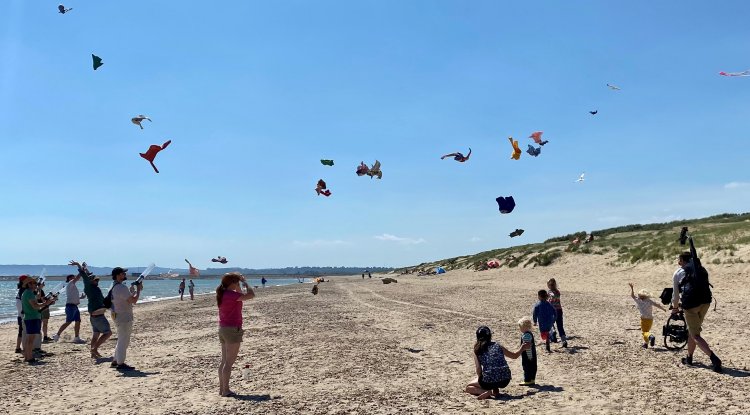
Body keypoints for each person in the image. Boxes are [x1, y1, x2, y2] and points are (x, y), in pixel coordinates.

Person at [671, 252, 722, 372]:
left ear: (682, 261)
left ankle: (714, 358)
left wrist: (674, 308)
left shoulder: (678, 272)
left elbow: (676, 294)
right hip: (705, 303)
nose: (678, 262)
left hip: (691, 306)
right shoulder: (700, 269)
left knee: (695, 335)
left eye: (679, 260)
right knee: (692, 330)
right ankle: (689, 358)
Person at [216, 272, 255, 397]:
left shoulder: (223, 294)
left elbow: (240, 293)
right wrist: (244, 283)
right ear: (232, 283)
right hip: (232, 329)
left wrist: (238, 284)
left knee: (224, 361)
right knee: (228, 362)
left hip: (223, 328)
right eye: (236, 282)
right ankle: (226, 390)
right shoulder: (231, 295)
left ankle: (222, 389)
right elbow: (251, 295)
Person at [465, 326, 528, 399]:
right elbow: (514, 356)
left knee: (468, 387)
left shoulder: (477, 350)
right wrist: (522, 348)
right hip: (505, 379)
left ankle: (485, 391)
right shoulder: (497, 345)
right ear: (490, 336)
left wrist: (481, 380)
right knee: (494, 370)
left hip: (489, 381)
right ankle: (495, 389)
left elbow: (478, 369)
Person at [70, 261, 112, 359]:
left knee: (96, 334)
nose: (97, 282)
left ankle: (93, 353)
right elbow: (84, 275)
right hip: (97, 315)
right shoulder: (89, 287)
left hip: (95, 316)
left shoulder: (96, 288)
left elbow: (88, 274)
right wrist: (78, 265)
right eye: (95, 280)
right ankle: (95, 349)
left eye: (97, 280)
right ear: (91, 281)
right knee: (108, 333)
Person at [110, 266, 142, 371]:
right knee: (124, 340)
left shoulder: (115, 286)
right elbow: (133, 301)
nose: (125, 275)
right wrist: (138, 290)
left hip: (118, 315)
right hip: (123, 316)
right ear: (118, 275)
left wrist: (133, 292)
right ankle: (120, 363)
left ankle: (115, 360)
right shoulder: (121, 287)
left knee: (121, 339)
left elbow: (126, 299)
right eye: (123, 273)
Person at [21, 277, 55, 363]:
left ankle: (28, 356)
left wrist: (46, 303)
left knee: (30, 339)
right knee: (30, 340)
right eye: (33, 283)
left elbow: (37, 300)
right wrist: (45, 303)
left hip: (31, 317)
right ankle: (29, 357)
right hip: (31, 318)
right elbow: (35, 306)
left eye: (35, 283)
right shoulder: (28, 293)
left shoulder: (29, 293)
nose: (35, 285)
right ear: (29, 284)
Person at [629, 282, 666, 348]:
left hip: (643, 319)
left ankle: (651, 337)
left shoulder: (639, 301)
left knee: (644, 332)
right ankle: (646, 344)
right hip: (650, 319)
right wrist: (663, 309)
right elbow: (657, 305)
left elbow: (632, 296)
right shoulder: (649, 301)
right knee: (647, 331)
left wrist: (632, 288)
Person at [53, 274, 87, 344]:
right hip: (70, 306)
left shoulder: (73, 286)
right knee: (68, 321)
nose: (74, 278)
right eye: (72, 277)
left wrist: (81, 297)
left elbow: (73, 296)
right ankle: (57, 335)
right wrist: (81, 271)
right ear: (69, 279)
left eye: (73, 277)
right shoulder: (70, 283)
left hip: (74, 306)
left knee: (78, 321)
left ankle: (77, 337)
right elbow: (77, 278)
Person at [547, 278, 568, 348]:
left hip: (551, 311)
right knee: (560, 326)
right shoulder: (558, 292)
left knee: (550, 323)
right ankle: (564, 340)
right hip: (559, 310)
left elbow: (548, 299)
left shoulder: (549, 293)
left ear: (549, 286)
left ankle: (552, 331)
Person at [518, 317, 537, 386]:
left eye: (520, 327)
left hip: (528, 355)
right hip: (532, 354)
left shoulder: (526, 336)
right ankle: (532, 379)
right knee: (533, 367)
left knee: (527, 367)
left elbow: (528, 347)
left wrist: (529, 356)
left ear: (524, 327)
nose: (519, 329)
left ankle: (527, 380)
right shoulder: (529, 333)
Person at [15, 276, 28, 354]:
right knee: (24, 332)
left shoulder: (21, 290)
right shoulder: (23, 291)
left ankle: (17, 347)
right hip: (23, 315)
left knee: (20, 331)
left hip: (20, 315)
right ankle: (23, 347)